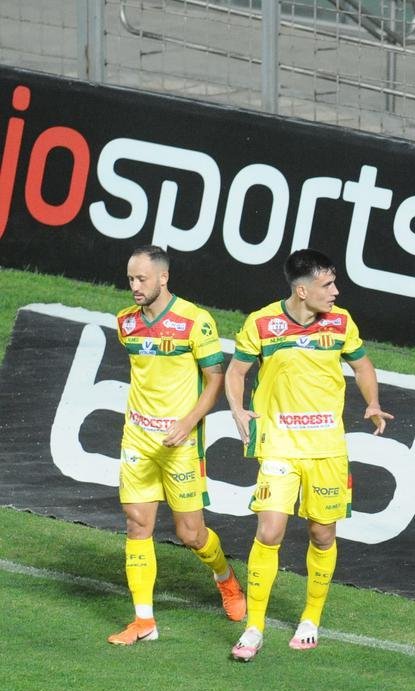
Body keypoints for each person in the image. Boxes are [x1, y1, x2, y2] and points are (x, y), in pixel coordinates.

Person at [224, 248, 392, 661]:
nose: (335, 291)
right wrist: (237, 406)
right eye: (327, 285)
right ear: (302, 291)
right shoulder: (261, 324)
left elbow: (364, 366)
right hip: (279, 444)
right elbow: (236, 370)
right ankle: (254, 628)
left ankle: (310, 618)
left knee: (323, 534)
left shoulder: (342, 323)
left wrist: (371, 402)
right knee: (270, 531)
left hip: (327, 449)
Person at [108, 245, 246, 645]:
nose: (134, 287)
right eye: (130, 279)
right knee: (137, 524)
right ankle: (144, 622)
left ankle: (226, 578)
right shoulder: (126, 323)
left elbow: (215, 380)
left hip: (180, 443)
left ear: (163, 278)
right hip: (137, 437)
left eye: (142, 279)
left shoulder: (195, 322)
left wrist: (187, 423)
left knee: (191, 534)